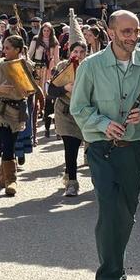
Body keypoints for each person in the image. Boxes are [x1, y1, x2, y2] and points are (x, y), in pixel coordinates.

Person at [70, 11, 140, 280]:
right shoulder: (91, 66)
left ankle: (116, 266)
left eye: (135, 31)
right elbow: (79, 107)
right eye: (125, 31)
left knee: (126, 212)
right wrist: (102, 123)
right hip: (101, 148)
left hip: (134, 148)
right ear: (110, 32)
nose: (132, 36)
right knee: (110, 209)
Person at [0, 35, 38, 196]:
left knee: (10, 145)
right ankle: (11, 180)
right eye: (4, 47)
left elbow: (31, 89)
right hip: (0, 109)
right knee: (7, 143)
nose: (4, 50)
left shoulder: (27, 65)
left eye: (8, 48)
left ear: (18, 50)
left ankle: (3, 174)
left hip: (17, 110)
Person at [48, 41, 86, 196]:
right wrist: (65, 88)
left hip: (84, 113)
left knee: (82, 148)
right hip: (65, 112)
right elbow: (51, 90)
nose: (78, 54)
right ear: (70, 52)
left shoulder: (90, 66)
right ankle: (72, 183)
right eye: (75, 51)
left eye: (81, 51)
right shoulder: (62, 67)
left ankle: (69, 172)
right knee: (71, 147)